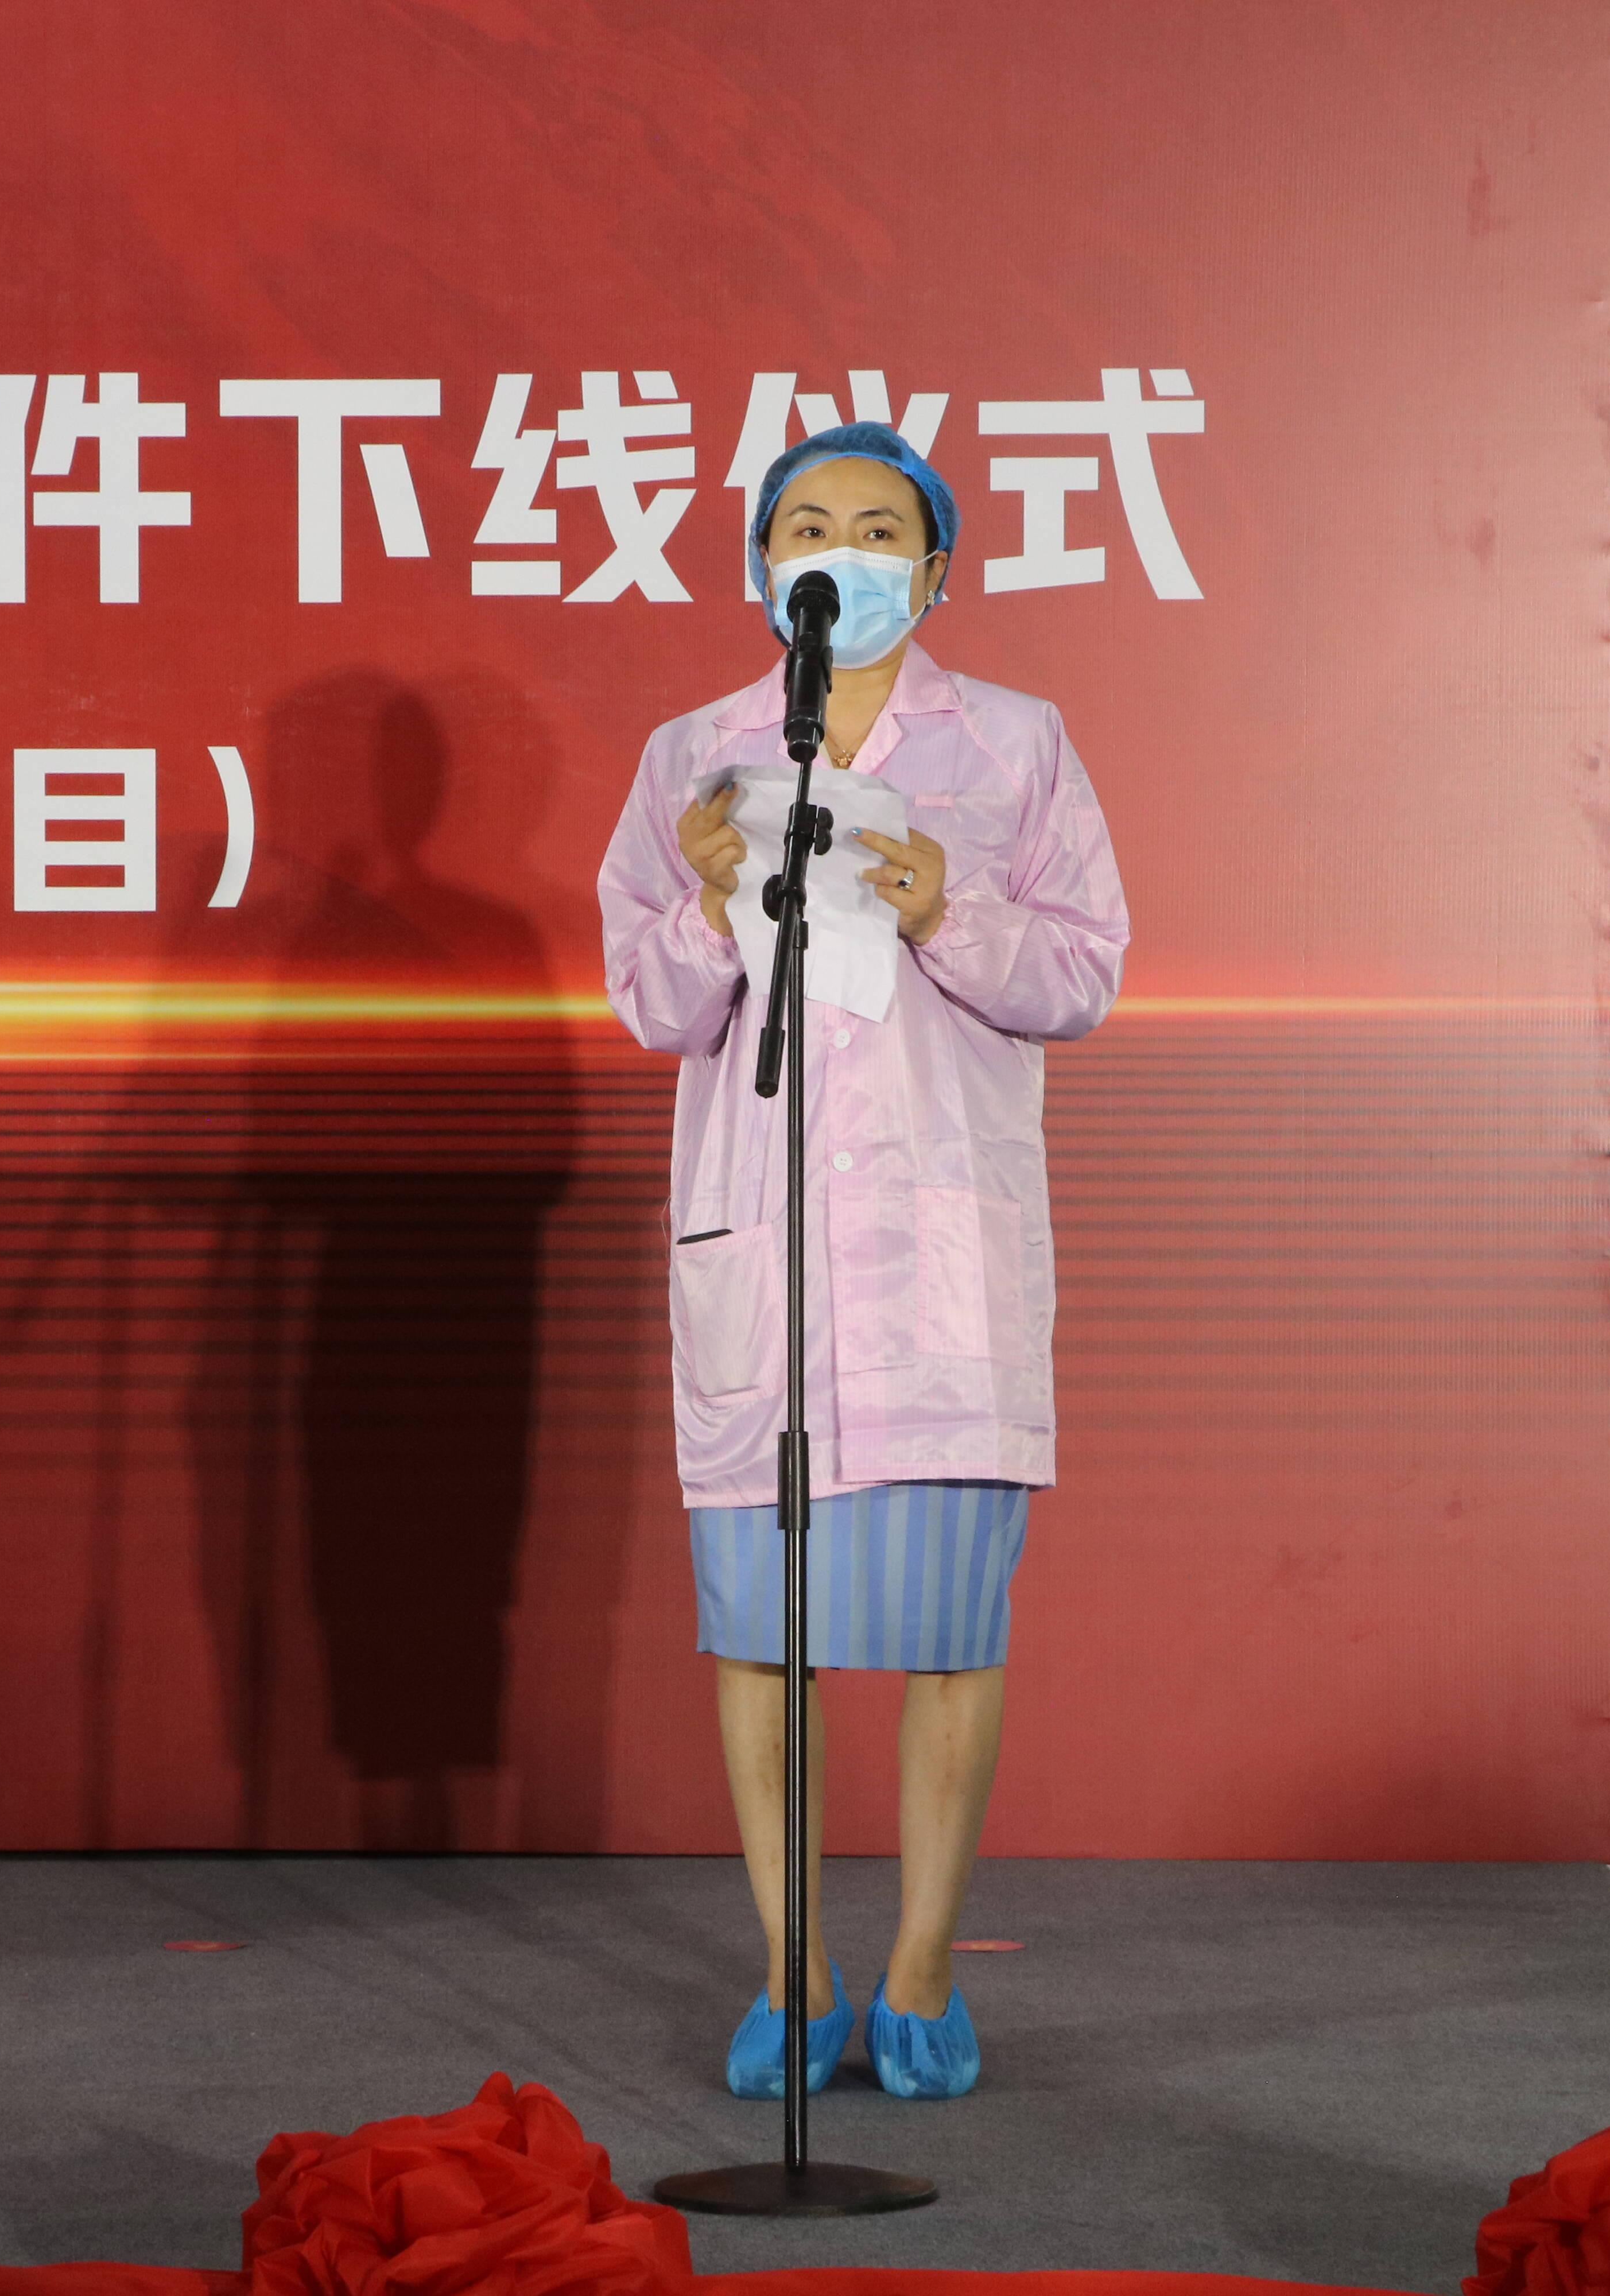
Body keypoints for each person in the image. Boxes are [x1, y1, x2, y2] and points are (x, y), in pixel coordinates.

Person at [596, 422, 1130, 2100]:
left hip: (939, 1261)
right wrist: (699, 906)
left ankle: (920, 1972)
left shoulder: (1019, 743)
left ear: (937, 566)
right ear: (764, 565)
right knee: (766, 1635)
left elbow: (1084, 974)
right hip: (766, 1253)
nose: (842, 551)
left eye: (879, 528)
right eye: (808, 525)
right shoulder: (696, 754)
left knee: (947, 1632)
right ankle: (791, 1972)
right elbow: (649, 1007)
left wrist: (944, 905)